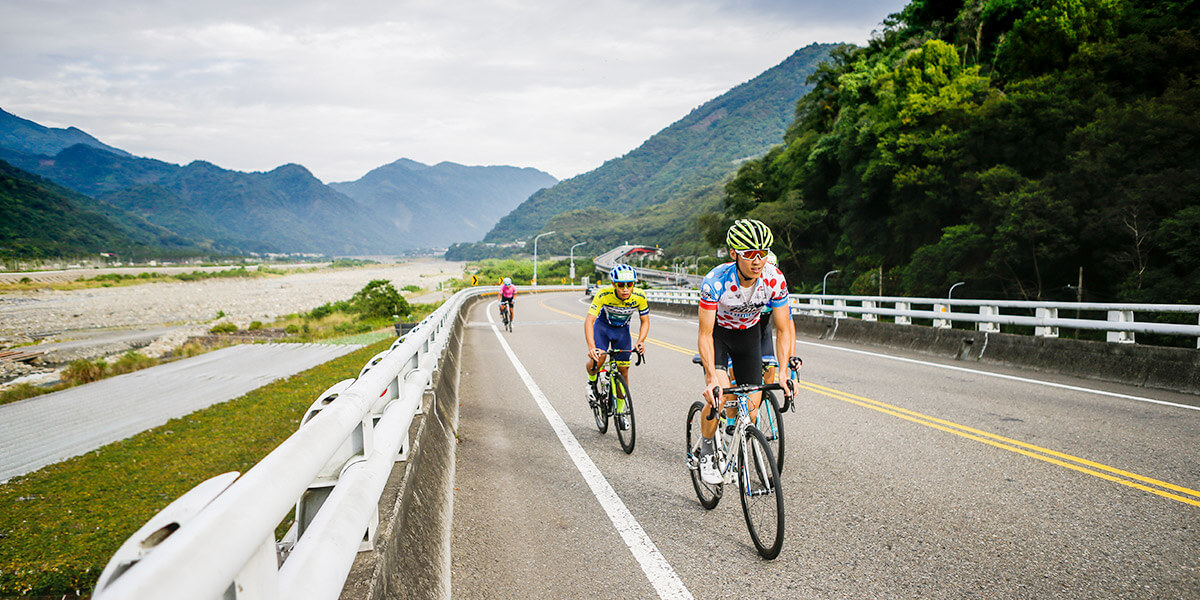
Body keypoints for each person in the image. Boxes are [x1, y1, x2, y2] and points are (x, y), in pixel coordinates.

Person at [696, 219, 798, 485]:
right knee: (717, 397)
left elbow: (784, 329)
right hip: (720, 336)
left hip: (749, 338)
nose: (757, 260)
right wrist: (710, 378)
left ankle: (731, 441)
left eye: (762, 253)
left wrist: (785, 372)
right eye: (750, 253)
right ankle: (707, 450)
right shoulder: (715, 281)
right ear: (734, 254)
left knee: (751, 409)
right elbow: (705, 334)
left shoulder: (774, 279)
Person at [584, 264, 649, 423]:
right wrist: (592, 348)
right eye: (621, 285)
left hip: (622, 332)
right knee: (598, 360)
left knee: (623, 372)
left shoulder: (639, 296)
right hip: (603, 329)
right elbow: (589, 321)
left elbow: (645, 321)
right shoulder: (604, 294)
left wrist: (640, 341)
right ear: (614, 284)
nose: (626, 289)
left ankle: (620, 413)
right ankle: (591, 383)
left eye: (630, 284)